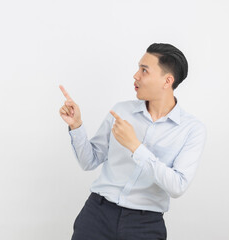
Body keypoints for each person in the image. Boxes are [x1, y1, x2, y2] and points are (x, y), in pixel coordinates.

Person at [59, 43, 207, 240]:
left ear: (167, 81)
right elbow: (89, 161)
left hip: (145, 226)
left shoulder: (192, 129)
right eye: (138, 68)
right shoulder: (121, 111)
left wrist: (135, 147)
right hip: (97, 215)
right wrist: (76, 125)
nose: (136, 76)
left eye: (144, 70)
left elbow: (177, 186)